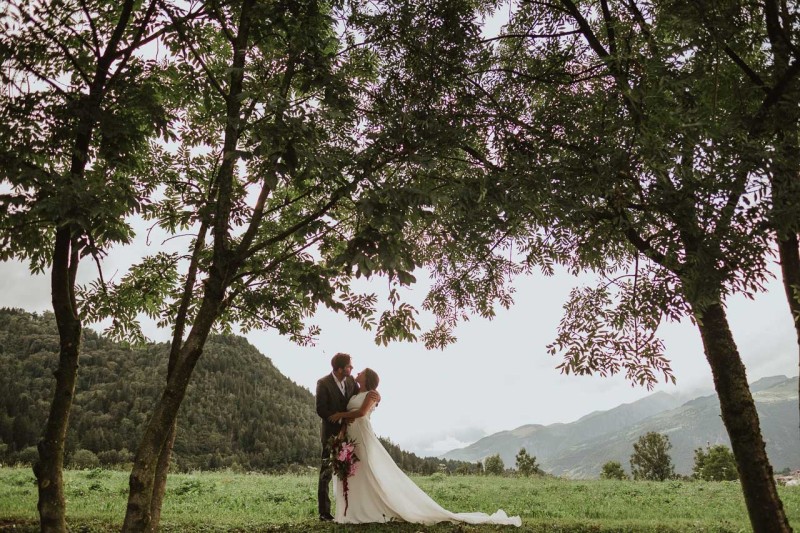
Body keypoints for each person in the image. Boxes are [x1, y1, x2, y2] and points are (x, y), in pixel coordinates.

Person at [328, 368, 522, 526]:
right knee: (355, 472)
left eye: (361, 372)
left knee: (368, 469)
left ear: (368, 377)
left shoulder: (372, 394)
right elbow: (351, 413)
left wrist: (340, 415)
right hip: (351, 434)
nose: (358, 373)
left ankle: (376, 507)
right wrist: (342, 433)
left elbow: (362, 413)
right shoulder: (355, 393)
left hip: (363, 434)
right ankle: (355, 509)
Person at [315, 353, 378, 521]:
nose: (352, 368)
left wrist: (377, 396)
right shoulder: (323, 383)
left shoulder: (351, 381)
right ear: (340, 369)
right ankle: (324, 512)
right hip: (331, 434)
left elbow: (363, 396)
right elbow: (321, 409)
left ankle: (352, 508)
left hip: (351, 433)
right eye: (349, 366)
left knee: (352, 469)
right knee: (327, 470)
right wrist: (341, 419)